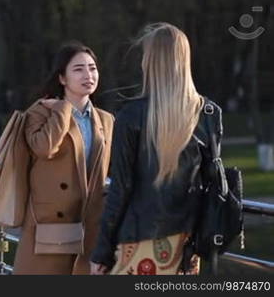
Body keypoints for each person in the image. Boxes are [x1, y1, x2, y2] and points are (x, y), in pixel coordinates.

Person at [90, 23, 222, 275]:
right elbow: (210, 184)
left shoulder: (132, 115)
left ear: (152, 62)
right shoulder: (208, 114)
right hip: (187, 246)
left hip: (138, 243)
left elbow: (121, 189)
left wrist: (102, 251)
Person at [13, 41, 115, 274]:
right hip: (50, 228)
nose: (88, 75)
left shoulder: (105, 119)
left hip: (90, 226)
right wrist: (61, 110)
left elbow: (106, 170)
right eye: (78, 69)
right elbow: (44, 148)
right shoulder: (40, 112)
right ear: (62, 78)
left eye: (92, 68)